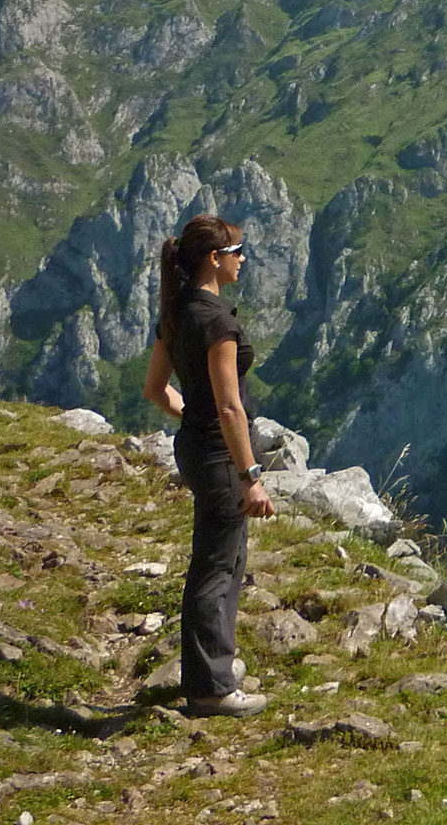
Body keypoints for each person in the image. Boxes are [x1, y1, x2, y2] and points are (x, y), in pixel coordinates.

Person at [141, 213, 276, 718]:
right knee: (219, 567)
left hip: (193, 448)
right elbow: (229, 407)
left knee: (220, 559)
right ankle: (210, 689)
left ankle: (213, 665)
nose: (244, 259)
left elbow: (155, 391)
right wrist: (251, 476)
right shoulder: (218, 321)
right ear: (215, 259)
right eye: (239, 251)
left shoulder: (176, 312)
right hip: (221, 457)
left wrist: (190, 417)